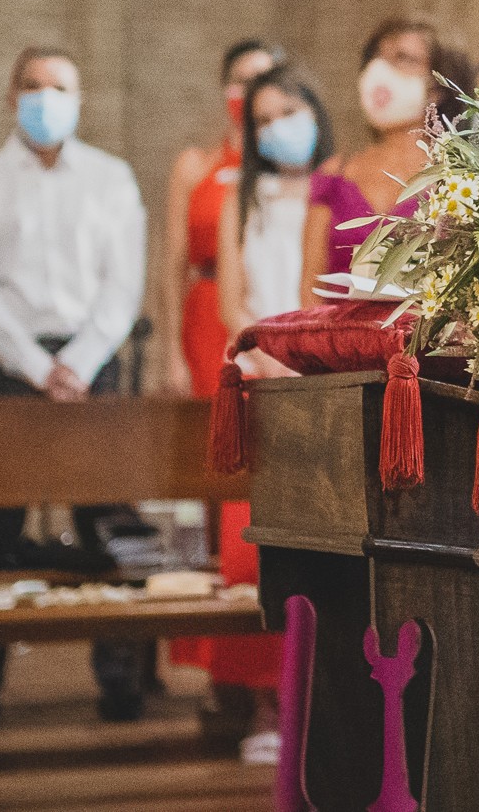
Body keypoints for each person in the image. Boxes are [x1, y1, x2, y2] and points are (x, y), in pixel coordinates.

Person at [0, 46, 148, 728]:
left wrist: (84, 362)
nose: (45, 98)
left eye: (59, 86)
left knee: (104, 522)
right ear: (11, 96)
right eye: (32, 85)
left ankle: (118, 680)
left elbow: (122, 285)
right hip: (11, 365)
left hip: (95, 364)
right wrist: (39, 368)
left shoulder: (111, 178)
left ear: (80, 96)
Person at [194, 64, 334, 763]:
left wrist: (307, 351)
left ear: (316, 110)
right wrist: (267, 351)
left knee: (323, 541)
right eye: (266, 116)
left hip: (321, 372)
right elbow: (229, 295)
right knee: (251, 545)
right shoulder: (236, 193)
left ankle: (322, 699)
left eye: (292, 108)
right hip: (258, 368)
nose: (281, 124)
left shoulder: (336, 182)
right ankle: (261, 701)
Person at [301, 18, 473, 298]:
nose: (379, 71)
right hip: (338, 337)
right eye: (375, 58)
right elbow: (310, 288)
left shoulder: (459, 175)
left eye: (402, 58)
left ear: (438, 85)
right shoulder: (336, 173)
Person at [162, 40, 282, 399]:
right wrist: (170, 354)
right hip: (207, 315)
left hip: (268, 312)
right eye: (240, 80)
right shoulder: (195, 166)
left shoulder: (288, 174)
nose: (250, 91)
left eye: (261, 80)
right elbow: (173, 268)